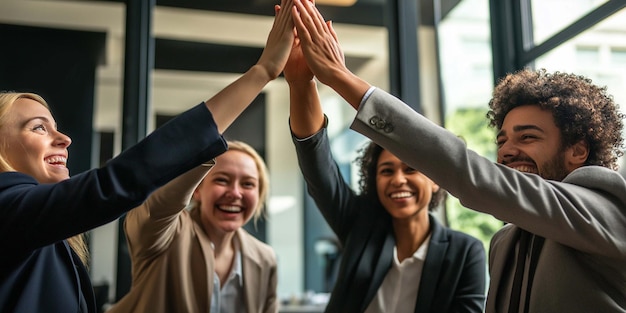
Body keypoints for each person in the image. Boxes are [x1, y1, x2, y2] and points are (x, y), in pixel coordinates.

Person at [289, 1, 626, 312]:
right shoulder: (505, 241)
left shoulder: (603, 210)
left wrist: (340, 77)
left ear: (578, 150)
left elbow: (467, 172)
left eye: (528, 137)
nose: (507, 150)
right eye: (503, 139)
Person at [0, 1, 294, 311]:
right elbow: (117, 183)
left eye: (248, 184)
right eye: (39, 128)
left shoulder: (46, 232)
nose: (64, 139)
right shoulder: (7, 208)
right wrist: (261, 72)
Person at [284, 13, 486, 313]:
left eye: (411, 169)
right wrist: (301, 84)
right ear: (373, 178)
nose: (398, 180)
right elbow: (318, 168)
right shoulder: (359, 226)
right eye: (386, 170)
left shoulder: (465, 251)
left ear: (435, 179)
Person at [108, 140, 276, 313]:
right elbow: (156, 207)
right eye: (222, 180)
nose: (235, 193)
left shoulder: (265, 258)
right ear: (197, 189)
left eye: (248, 184)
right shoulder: (168, 233)